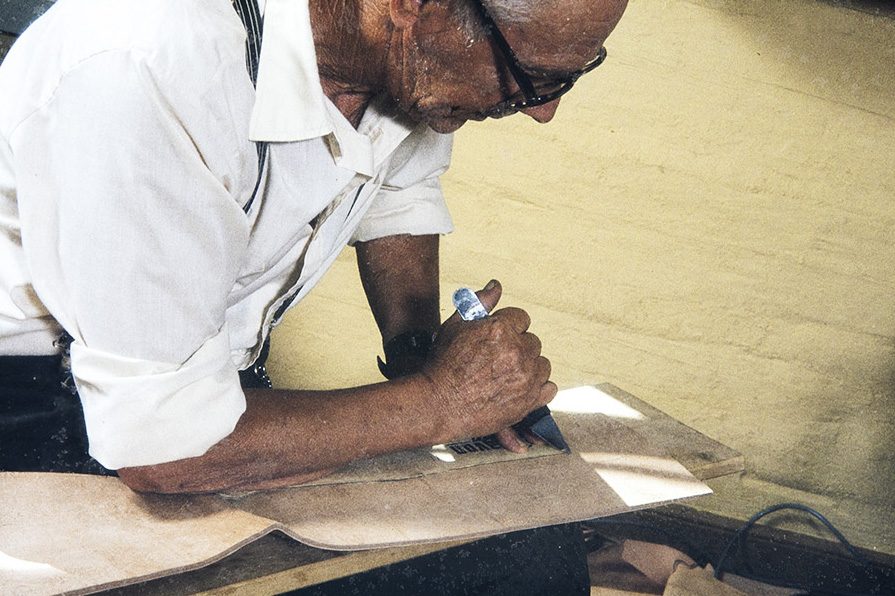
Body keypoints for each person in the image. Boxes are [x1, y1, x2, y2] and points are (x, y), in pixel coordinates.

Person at [1, 1, 627, 592]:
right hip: (35, 415)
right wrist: (443, 401)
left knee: (527, 536)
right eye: (535, 76)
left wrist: (418, 357)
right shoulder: (147, 64)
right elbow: (163, 448)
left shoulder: (400, 58)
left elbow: (396, 193)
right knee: (515, 564)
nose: (543, 111)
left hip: (196, 389)